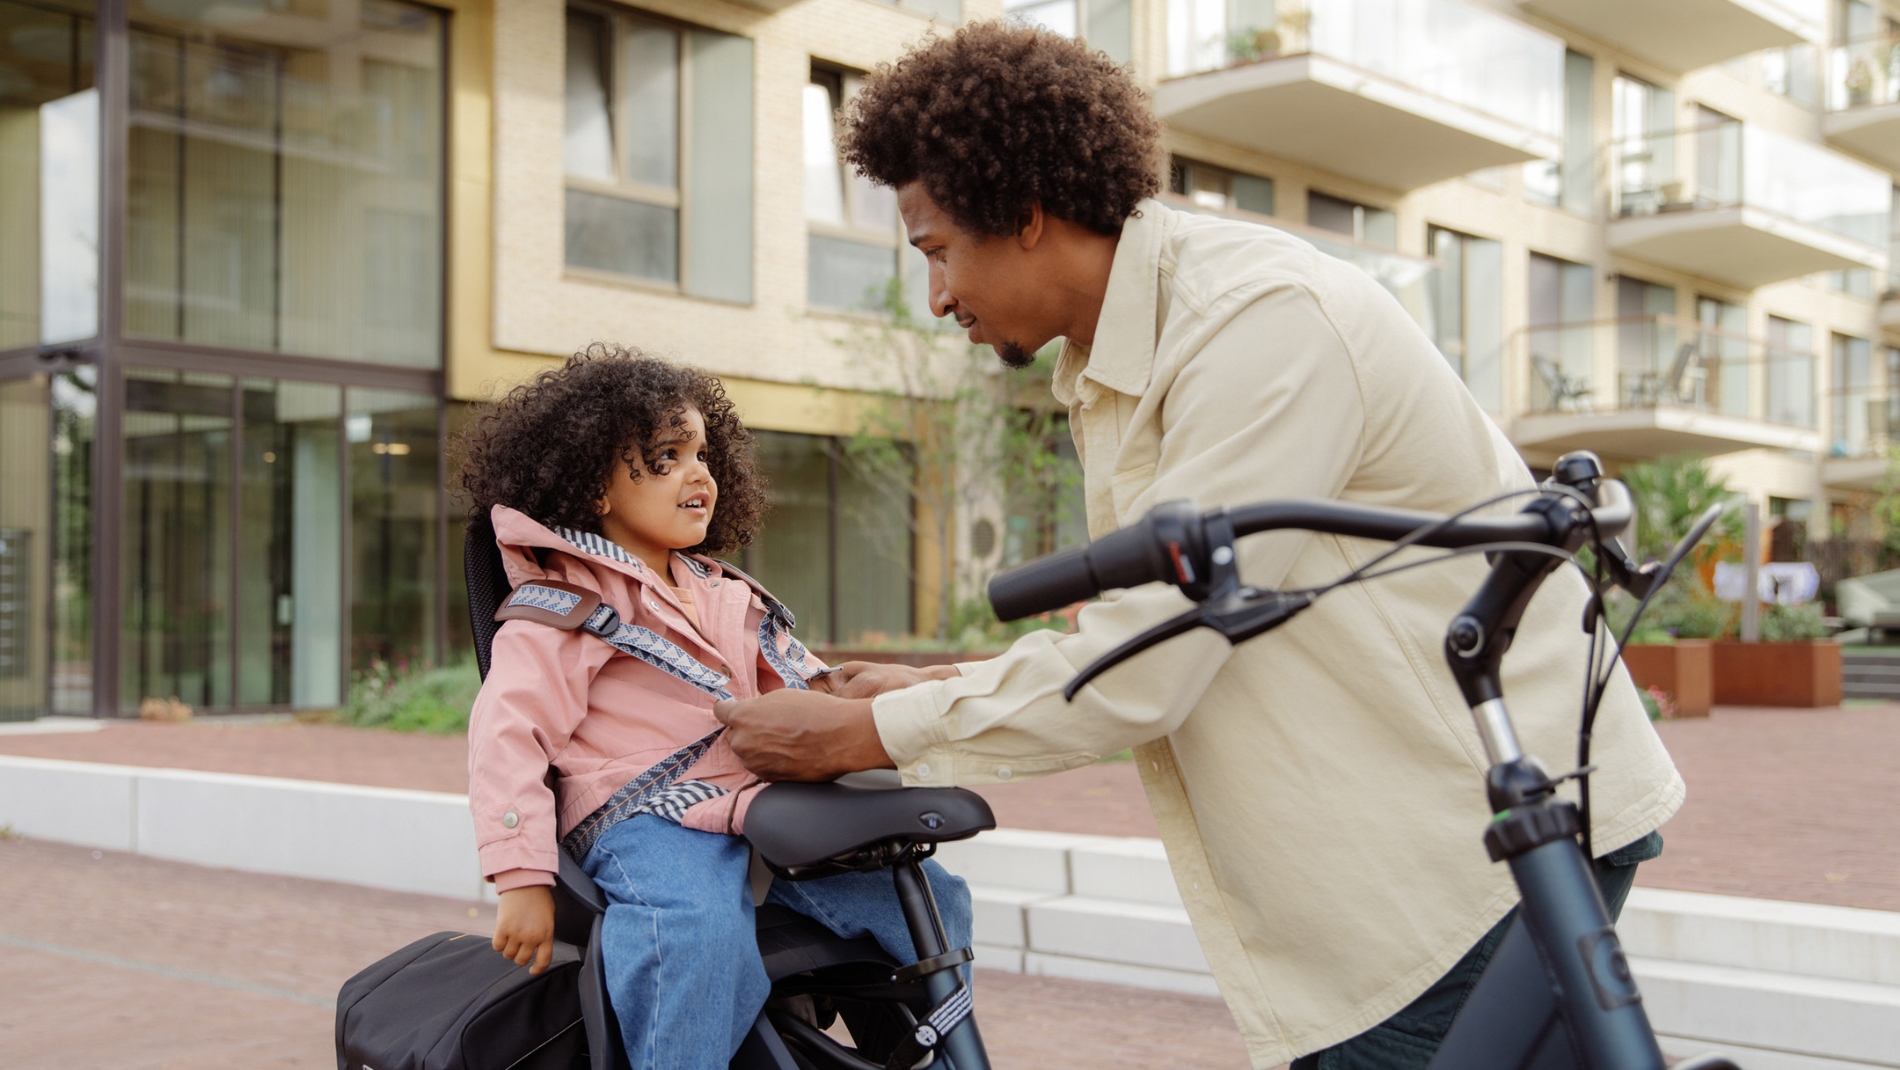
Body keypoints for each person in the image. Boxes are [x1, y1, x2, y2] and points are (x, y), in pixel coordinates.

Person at [713, 23, 1682, 1070]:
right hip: (1404, 847)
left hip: (1462, 848)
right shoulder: (1113, 357)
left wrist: (864, 733)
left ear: (1026, 216)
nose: (937, 295)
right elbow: (1164, 622)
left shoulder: (1254, 323)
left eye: (937, 250)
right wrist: (917, 687)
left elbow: (1156, 653)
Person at [459, 346, 972, 1069]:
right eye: (666, 457)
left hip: (754, 807)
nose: (699, 473)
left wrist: (875, 704)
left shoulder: (723, 591)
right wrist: (522, 878)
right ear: (594, 488)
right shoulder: (566, 603)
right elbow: (506, 733)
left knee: (930, 900)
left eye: (703, 454)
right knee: (695, 931)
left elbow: (799, 695)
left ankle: (924, 1056)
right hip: (644, 818)